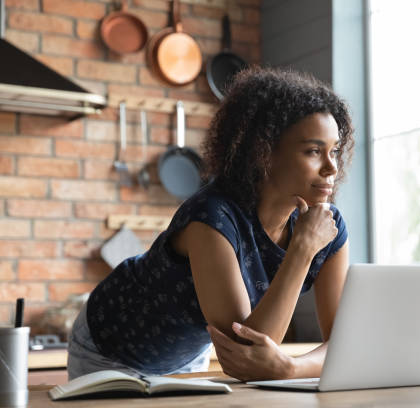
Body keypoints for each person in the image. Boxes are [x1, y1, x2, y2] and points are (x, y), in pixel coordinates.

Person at [67, 67, 355, 382]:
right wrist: (301, 249)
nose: (331, 167)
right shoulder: (212, 217)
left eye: (335, 151)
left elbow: (346, 347)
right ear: (265, 153)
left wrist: (291, 367)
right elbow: (245, 351)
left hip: (186, 357)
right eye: (314, 151)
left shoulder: (326, 225)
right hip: (111, 349)